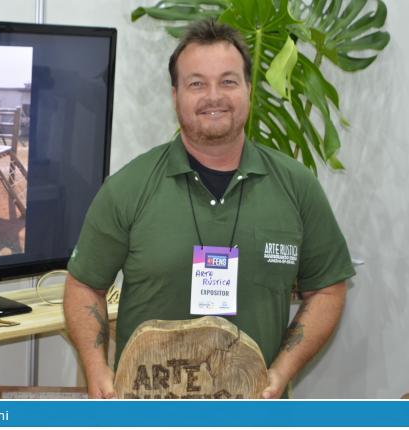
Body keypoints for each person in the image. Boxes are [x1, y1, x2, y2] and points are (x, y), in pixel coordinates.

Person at [63, 19, 355, 399]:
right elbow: (84, 286)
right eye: (197, 84)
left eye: (228, 81)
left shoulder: (297, 187)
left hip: (254, 412)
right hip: (149, 412)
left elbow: (328, 289)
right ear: (175, 95)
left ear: (249, 89)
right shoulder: (128, 188)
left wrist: (282, 371)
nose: (213, 96)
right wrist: (96, 369)